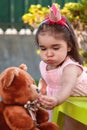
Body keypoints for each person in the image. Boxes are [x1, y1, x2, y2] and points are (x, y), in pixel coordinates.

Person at [35, 3, 87, 129]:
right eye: (43, 48)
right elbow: (46, 81)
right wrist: (41, 91)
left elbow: (66, 87)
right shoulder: (43, 65)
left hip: (80, 100)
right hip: (67, 101)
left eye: (55, 48)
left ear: (69, 46)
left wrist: (57, 99)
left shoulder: (70, 68)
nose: (49, 54)